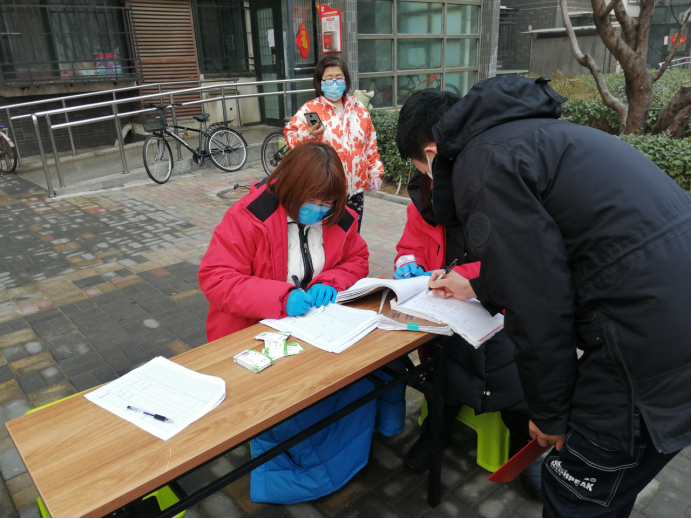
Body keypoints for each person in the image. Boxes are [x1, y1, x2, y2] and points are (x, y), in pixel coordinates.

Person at [396, 79, 690, 518]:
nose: (428, 181)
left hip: (646, 344)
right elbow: (548, 263)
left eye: (422, 170)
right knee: (610, 492)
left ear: (432, 154)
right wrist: (479, 286)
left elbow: (539, 306)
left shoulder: (485, 165)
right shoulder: (536, 136)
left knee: (576, 498)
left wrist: (549, 414)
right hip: (664, 313)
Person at [198, 142, 405, 504]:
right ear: (290, 188)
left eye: (328, 203)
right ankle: (300, 468)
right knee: (304, 402)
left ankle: (354, 443)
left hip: (313, 329)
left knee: (373, 368)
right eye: (313, 201)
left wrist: (331, 281)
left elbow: (357, 259)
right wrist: (281, 297)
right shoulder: (249, 217)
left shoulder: (339, 218)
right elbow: (216, 278)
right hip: (251, 336)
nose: (320, 210)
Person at [394, 171, 541, 499]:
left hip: (500, 308)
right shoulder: (422, 203)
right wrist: (408, 263)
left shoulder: (498, 200)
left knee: (516, 378)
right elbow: (409, 245)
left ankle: (526, 447)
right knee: (440, 370)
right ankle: (437, 430)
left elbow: (516, 259)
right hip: (440, 308)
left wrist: (463, 279)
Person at [284, 56, 384, 232]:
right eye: (328, 78)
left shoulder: (359, 108)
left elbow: (370, 144)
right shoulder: (310, 109)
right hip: (323, 195)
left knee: (352, 236)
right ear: (320, 82)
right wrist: (308, 133)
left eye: (339, 77)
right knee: (325, 240)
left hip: (355, 193)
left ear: (346, 80)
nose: (334, 82)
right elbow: (290, 139)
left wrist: (375, 172)